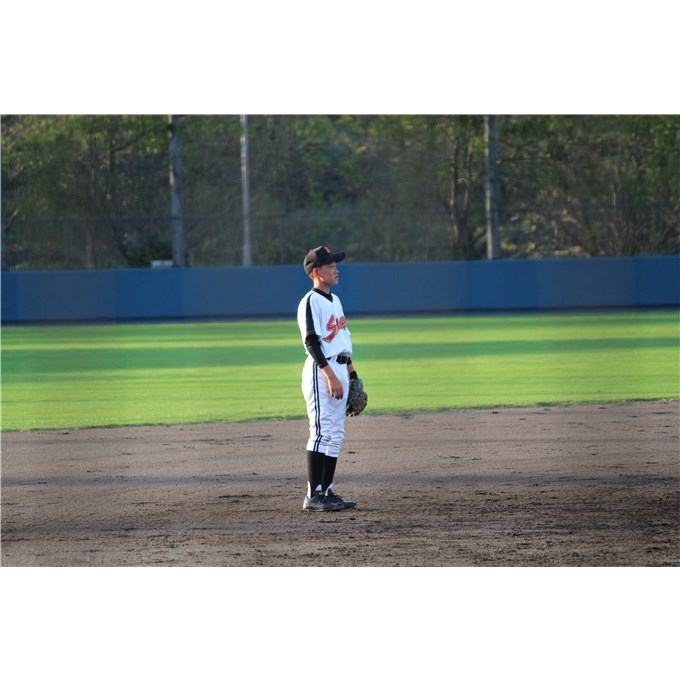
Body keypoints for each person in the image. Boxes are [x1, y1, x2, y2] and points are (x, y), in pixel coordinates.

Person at [297, 245, 359, 512]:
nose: (336, 269)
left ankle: (327, 490)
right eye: (330, 265)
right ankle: (313, 495)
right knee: (321, 431)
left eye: (335, 265)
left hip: (339, 368)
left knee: (336, 433)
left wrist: (352, 375)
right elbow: (311, 342)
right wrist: (331, 376)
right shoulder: (310, 301)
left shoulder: (335, 301)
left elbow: (343, 342)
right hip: (321, 371)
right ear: (316, 272)